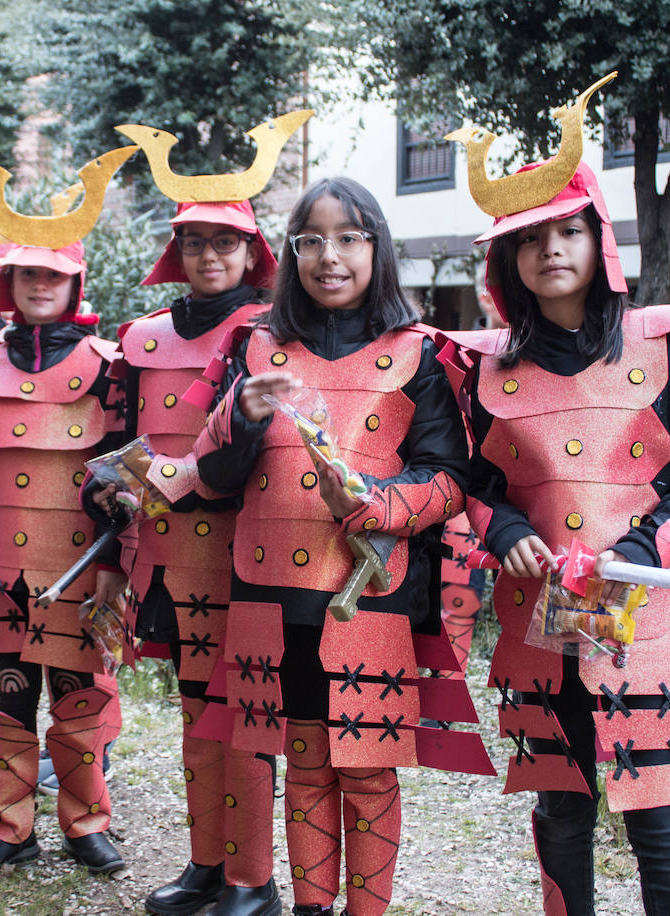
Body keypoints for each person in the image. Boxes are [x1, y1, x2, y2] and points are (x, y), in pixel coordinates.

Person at [440, 76, 670, 916]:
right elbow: (475, 483)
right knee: (562, 804)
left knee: (661, 816)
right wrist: (501, 532)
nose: (551, 250)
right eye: (531, 239)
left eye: (568, 229)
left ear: (597, 239)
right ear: (508, 261)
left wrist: (646, 551)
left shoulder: (661, 346)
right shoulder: (487, 368)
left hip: (650, 613)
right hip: (539, 617)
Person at [195, 177, 482, 916]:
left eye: (350, 237)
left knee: (368, 768)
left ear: (377, 249)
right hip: (268, 597)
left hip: (369, 595)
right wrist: (244, 414)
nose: (331, 255)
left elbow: (451, 479)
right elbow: (216, 477)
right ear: (292, 252)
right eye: (313, 239)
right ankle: (310, 907)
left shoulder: (419, 353)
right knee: (305, 759)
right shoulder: (258, 345)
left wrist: (380, 505)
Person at [0, 148, 133, 879]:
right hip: (6, 568)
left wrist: (117, 565)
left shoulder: (112, 370)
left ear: (74, 280)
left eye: (52, 273)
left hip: (81, 569)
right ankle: (11, 827)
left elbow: (122, 484)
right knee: (12, 700)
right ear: (8, 283)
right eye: (27, 273)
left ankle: (86, 823)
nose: (39, 284)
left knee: (79, 703)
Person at [105, 184, 281, 915]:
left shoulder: (276, 329)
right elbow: (115, 440)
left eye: (225, 242)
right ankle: (207, 864)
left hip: (253, 555)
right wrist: (108, 494)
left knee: (248, 720)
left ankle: (255, 880)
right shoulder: (141, 336)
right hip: (170, 558)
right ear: (176, 252)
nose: (210, 255)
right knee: (196, 717)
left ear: (250, 252)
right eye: (196, 242)